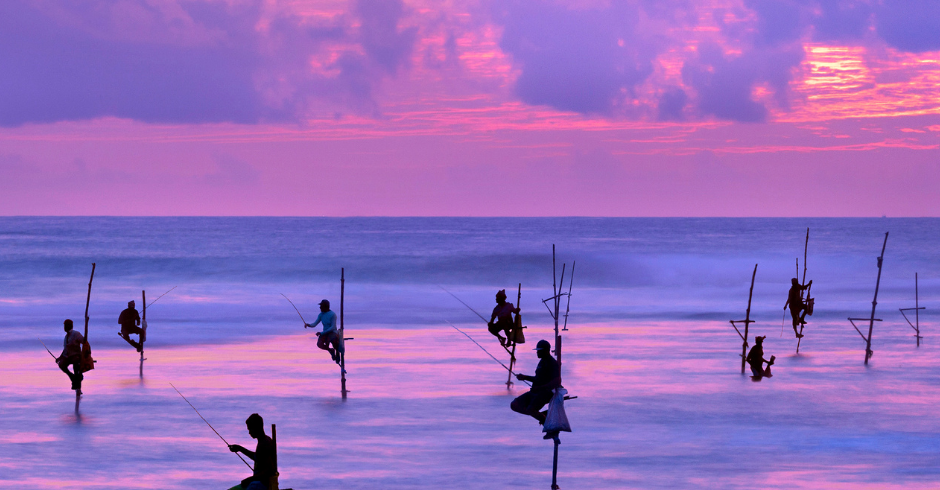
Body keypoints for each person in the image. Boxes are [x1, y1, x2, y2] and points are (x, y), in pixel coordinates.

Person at [512, 339, 562, 440]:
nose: (537, 352)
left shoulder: (552, 363)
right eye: (537, 350)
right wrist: (525, 377)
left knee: (531, 409)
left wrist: (540, 387)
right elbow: (538, 379)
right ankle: (542, 415)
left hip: (545, 393)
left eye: (539, 350)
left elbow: (557, 381)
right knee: (515, 404)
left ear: (546, 351)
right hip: (535, 392)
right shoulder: (542, 362)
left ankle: (550, 428)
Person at [228, 413, 276, 490]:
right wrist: (240, 448)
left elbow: (269, 470)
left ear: (257, 428)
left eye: (250, 429)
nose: (249, 432)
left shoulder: (264, 444)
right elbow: (258, 457)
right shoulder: (264, 441)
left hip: (260, 485)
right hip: (257, 482)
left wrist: (249, 479)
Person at [305, 299, 342, 365]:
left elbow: (333, 327)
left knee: (335, 343)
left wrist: (321, 333)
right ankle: (331, 350)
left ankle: (337, 353)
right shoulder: (321, 315)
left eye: (321, 306)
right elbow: (314, 324)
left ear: (325, 306)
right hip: (325, 333)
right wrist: (309, 325)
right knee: (319, 344)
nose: (320, 307)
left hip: (332, 332)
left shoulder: (333, 314)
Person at [57, 319, 84, 394]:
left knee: (76, 368)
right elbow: (65, 349)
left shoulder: (76, 334)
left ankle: (78, 387)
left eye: (66, 325)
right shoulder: (66, 337)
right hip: (68, 357)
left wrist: (85, 355)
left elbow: (84, 341)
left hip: (76, 356)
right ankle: (72, 377)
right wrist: (60, 358)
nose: (64, 327)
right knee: (61, 364)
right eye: (64, 326)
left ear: (70, 326)